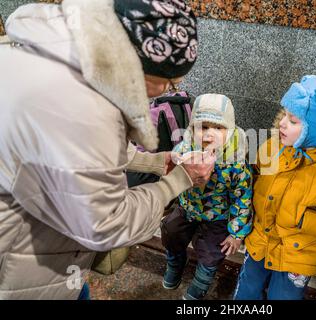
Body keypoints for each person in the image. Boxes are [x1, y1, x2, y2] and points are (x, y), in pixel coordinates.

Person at [0, 0, 214, 299]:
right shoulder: (85, 112)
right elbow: (105, 224)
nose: (169, 89)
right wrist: (179, 180)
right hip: (23, 267)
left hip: (44, 246)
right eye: (169, 79)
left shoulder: (50, 56)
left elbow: (75, 152)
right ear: (136, 64)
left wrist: (156, 162)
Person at [233, 75, 316, 300]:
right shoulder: (272, 147)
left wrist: (303, 219)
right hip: (260, 241)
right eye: (284, 115)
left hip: (298, 256)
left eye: (293, 120)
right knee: (246, 294)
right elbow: (256, 178)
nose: (282, 123)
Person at [160, 94, 253, 300]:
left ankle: (202, 279)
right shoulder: (185, 148)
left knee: (214, 250)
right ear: (193, 128)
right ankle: (175, 261)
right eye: (203, 127)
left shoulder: (235, 162)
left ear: (229, 131)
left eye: (218, 128)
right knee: (170, 230)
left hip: (217, 215)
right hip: (188, 208)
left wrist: (236, 233)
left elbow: (243, 197)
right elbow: (169, 177)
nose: (209, 135)